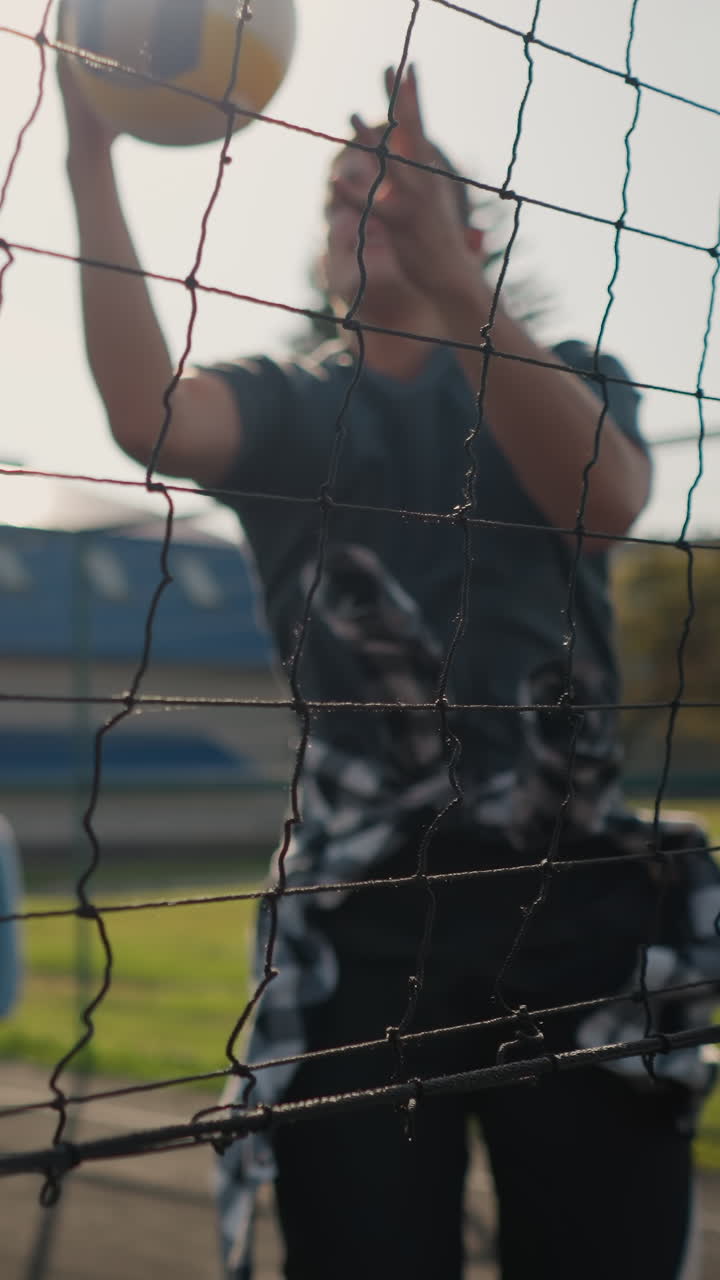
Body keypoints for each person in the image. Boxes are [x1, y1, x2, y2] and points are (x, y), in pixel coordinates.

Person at [61, 56, 718, 1280]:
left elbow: (608, 500)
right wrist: (90, 156)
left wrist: (459, 290)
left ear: (464, 232)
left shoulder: (562, 370)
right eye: (340, 195)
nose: (361, 207)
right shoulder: (288, 405)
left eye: (395, 188)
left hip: (569, 904)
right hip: (361, 922)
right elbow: (149, 414)